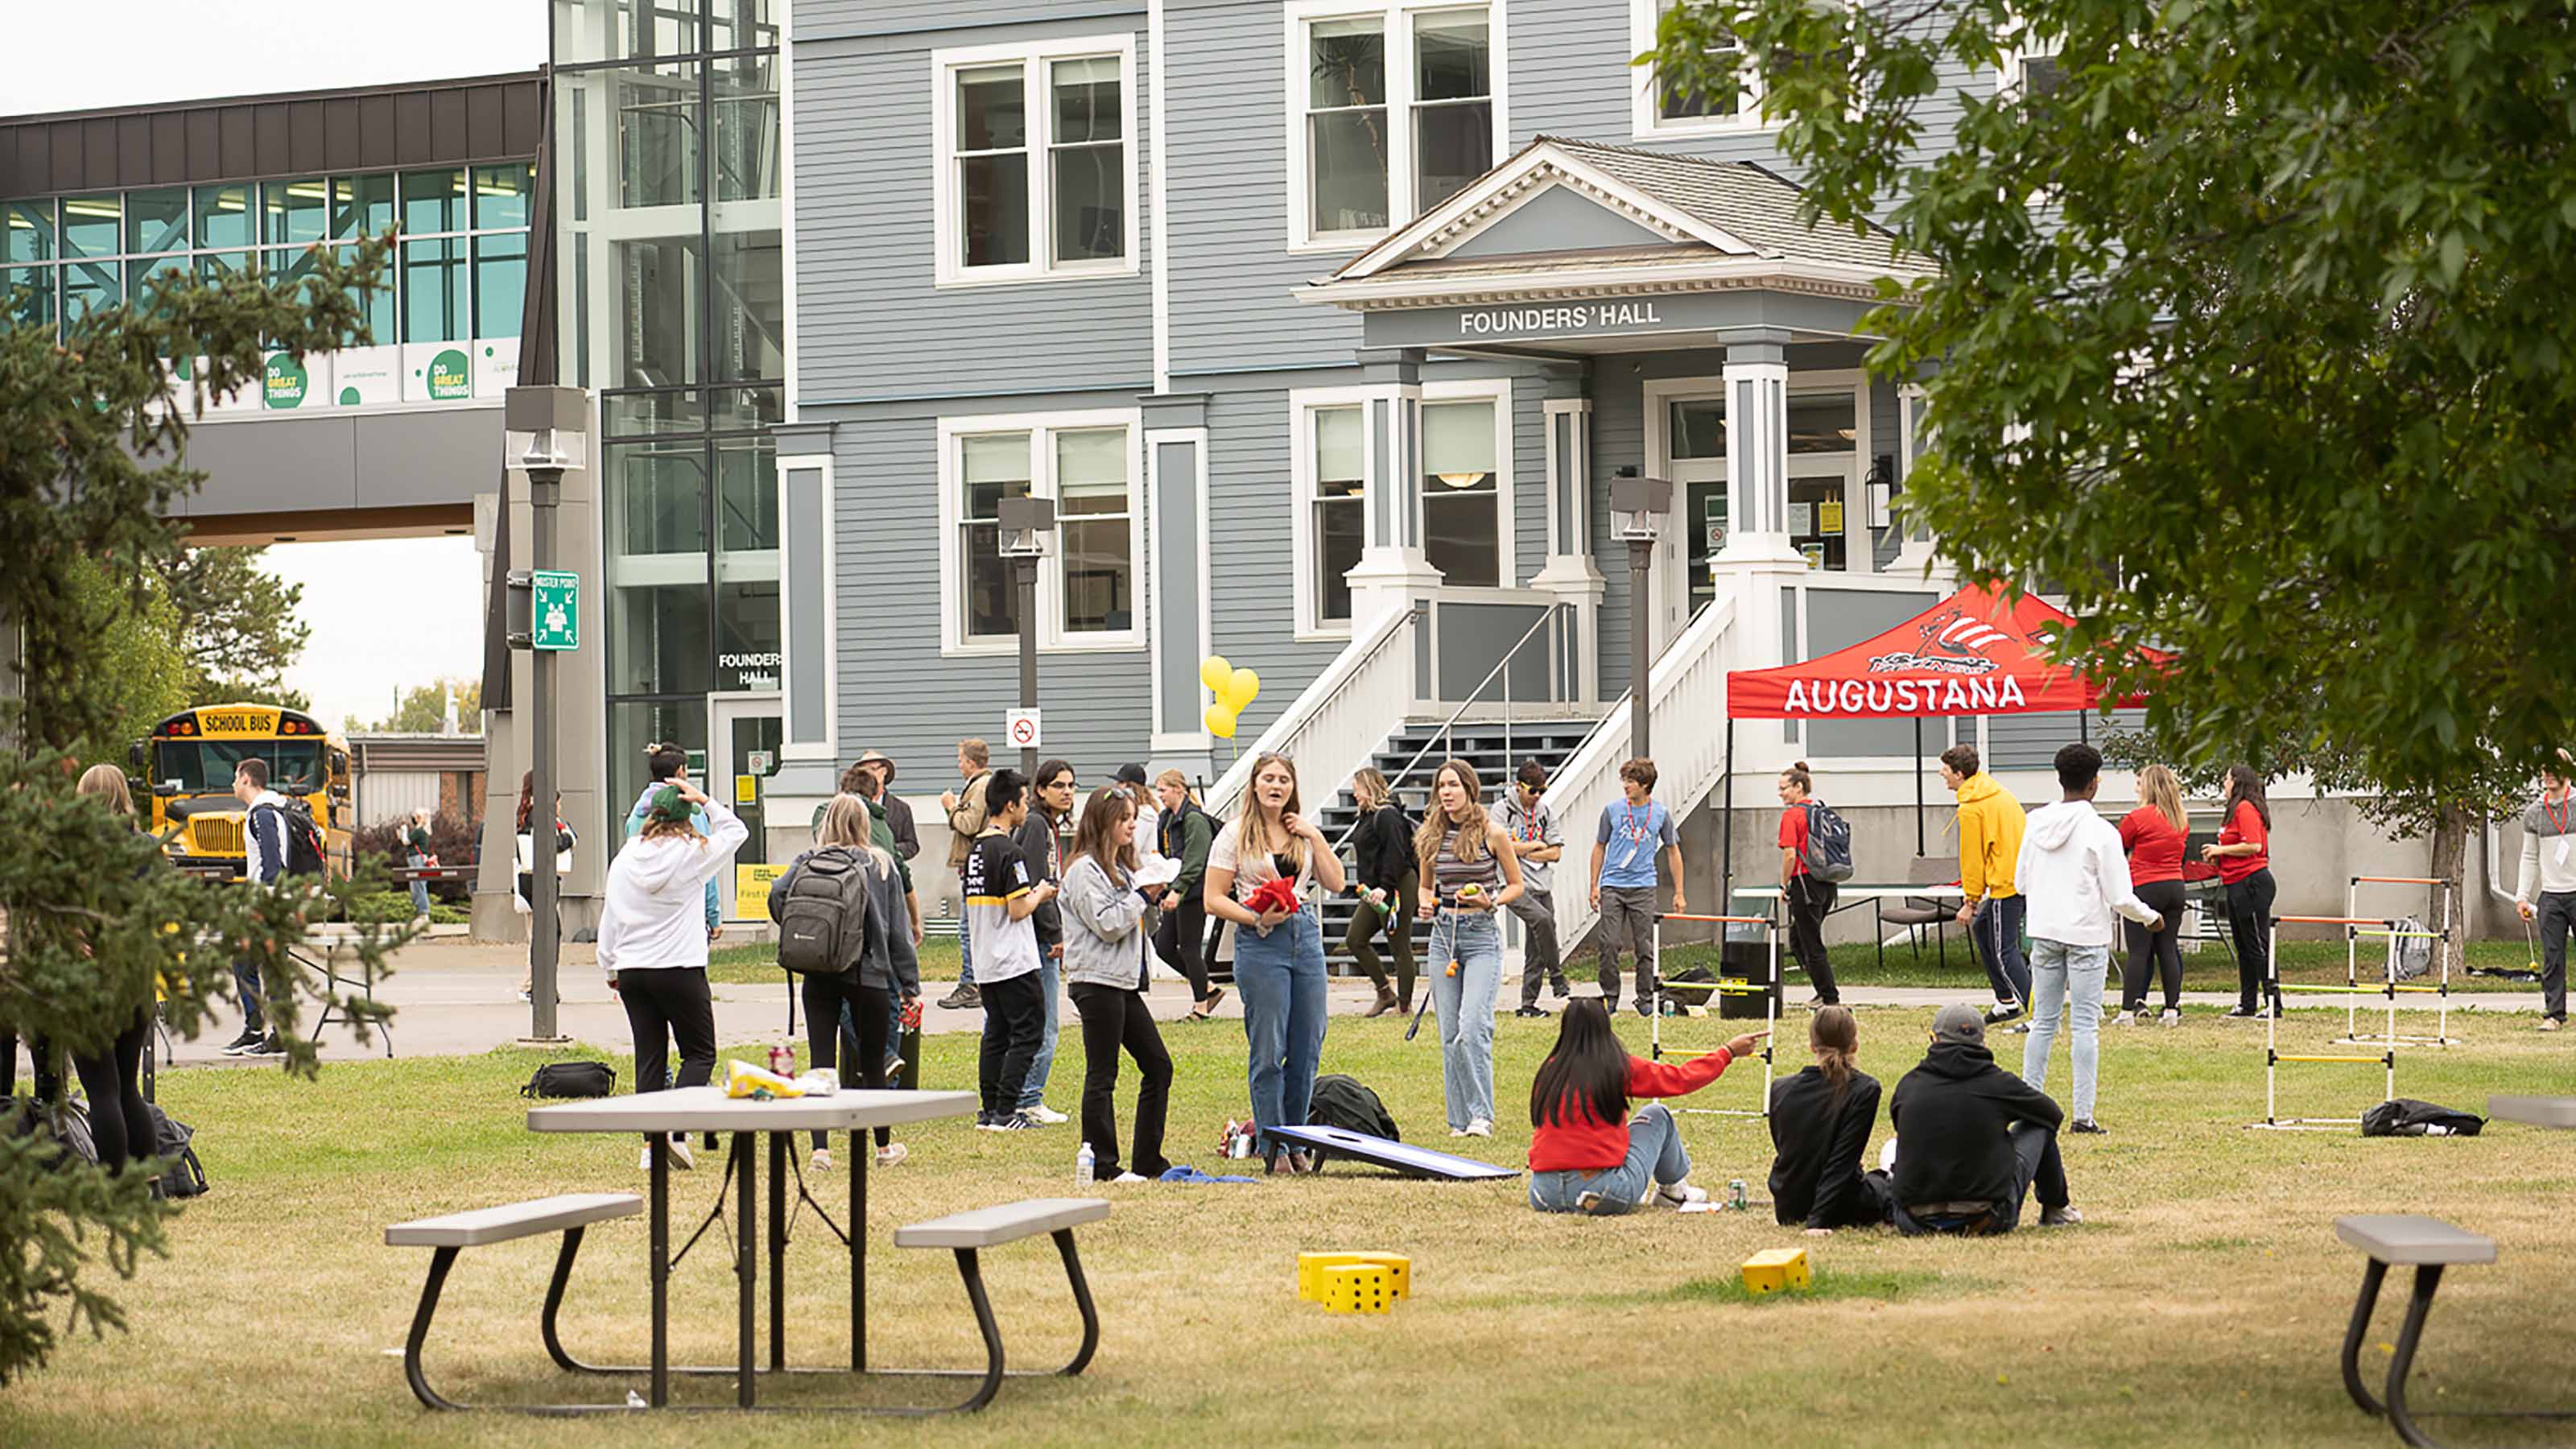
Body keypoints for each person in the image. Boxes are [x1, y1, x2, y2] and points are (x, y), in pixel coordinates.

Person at [1203, 751, 1344, 1174]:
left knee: (1307, 1044)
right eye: (1269, 778)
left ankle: (1297, 1140)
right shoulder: (1233, 834)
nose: (1276, 786)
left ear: (1292, 787)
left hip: (1304, 935)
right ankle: (1273, 1145)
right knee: (1269, 1048)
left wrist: (1315, 837)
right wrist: (1255, 917)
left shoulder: (1300, 832)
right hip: (1260, 940)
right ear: (1255, 785)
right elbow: (1213, 898)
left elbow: (1336, 883)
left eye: (1284, 779)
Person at [598, 778, 747, 1171]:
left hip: (632, 969)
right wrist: (706, 801)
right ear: (687, 818)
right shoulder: (693, 854)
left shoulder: (625, 858)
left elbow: (609, 918)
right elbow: (736, 831)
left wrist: (610, 966)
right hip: (679, 967)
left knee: (650, 1056)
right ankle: (676, 1131)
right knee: (699, 1053)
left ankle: (651, 1147)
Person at [2015, 744, 2162, 1134]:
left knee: (2042, 1022)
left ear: (2059, 779)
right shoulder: (2101, 831)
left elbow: (2020, 882)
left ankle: (2032, 1107)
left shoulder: (2034, 822)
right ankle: (2082, 1115)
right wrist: (2150, 918)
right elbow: (2119, 896)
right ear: (2095, 784)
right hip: (2086, 935)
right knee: (2084, 1025)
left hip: (2044, 931)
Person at [770, 794, 919, 1170]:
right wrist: (910, 984)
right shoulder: (880, 864)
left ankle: (820, 1150)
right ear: (865, 824)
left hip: (819, 971)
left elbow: (777, 894)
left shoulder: (807, 860)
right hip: (868, 973)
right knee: (873, 1062)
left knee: (821, 1062)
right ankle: (883, 1148)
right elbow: (898, 931)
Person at [1527, 998, 1763, 1215]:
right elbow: (1680, 1079)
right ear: (1605, 1028)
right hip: (1601, 1193)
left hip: (1543, 1194)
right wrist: (1727, 1052)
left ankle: (1665, 1190)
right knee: (1656, 1114)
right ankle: (1673, 1192)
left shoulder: (1549, 1071)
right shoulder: (1617, 1067)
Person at [1062, 785, 1175, 1183]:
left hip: (1122, 982)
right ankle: (1103, 1166)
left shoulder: (1124, 869)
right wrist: (1141, 896)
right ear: (1102, 822)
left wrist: (1154, 897)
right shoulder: (1082, 871)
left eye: (1133, 818)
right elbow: (1108, 925)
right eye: (1124, 819)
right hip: (1095, 980)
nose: (1131, 826)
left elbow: (1138, 923)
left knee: (1159, 1066)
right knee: (1102, 1074)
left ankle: (1148, 1160)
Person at [1887, 1003, 2079, 1234]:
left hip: (1913, 1220)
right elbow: (2051, 1115)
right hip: (1986, 1218)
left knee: (1892, 1147)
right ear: (1982, 1041)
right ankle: (2056, 1208)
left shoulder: (1909, 1085)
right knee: (2038, 1124)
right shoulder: (1998, 1083)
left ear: (1934, 1039)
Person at [1414, 759, 1524, 1137]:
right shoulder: (1430, 836)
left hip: (1481, 938)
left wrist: (1490, 902)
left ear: (1469, 789)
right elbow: (1426, 887)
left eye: (1453, 785)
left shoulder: (1493, 834)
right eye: (1441, 786)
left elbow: (1516, 885)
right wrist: (1425, 903)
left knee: (1473, 1025)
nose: (1446, 792)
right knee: (1449, 1033)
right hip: (1444, 938)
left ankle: (1482, 1116)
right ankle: (1459, 1121)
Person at [66, 765, 159, 1175]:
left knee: (101, 1089)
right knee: (127, 1087)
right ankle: (150, 1175)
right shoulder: (150, 850)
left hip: (90, 977)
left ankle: (114, 1182)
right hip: (137, 977)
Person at [966, 770, 1055, 1130]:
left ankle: (989, 1110)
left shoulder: (976, 849)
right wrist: (1042, 893)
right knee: (1029, 1032)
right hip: (1013, 959)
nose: (1025, 807)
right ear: (1009, 805)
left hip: (986, 956)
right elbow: (1018, 908)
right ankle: (1007, 1110)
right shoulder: (1009, 850)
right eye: (1022, 800)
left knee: (997, 1035)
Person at [1766, 1005, 1892, 1232]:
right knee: (1888, 1179)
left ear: (1812, 1046)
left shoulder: (1781, 1088)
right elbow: (1841, 1161)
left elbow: (1787, 1148)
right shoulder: (1864, 1089)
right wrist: (1817, 1221)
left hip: (1789, 1203)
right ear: (1854, 1045)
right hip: (1840, 1205)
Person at [1588, 757, 1686, 1016]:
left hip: (1643, 887)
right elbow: (1599, 846)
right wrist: (1594, 885)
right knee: (1609, 943)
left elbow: (1673, 851)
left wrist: (1679, 892)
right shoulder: (1612, 811)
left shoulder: (1661, 814)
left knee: (1645, 946)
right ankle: (1610, 996)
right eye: (1624, 780)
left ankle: (1644, 998)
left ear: (1645, 784)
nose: (1625, 786)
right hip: (1612, 885)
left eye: (1630, 781)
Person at [1942, 745, 2030, 1026]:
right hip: (2022, 876)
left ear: (1959, 773)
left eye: (1945, 770)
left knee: (2005, 950)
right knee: (1984, 929)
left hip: (2006, 884)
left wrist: (1970, 901)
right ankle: (2006, 1002)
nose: (1941, 774)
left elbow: (1972, 858)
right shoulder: (1998, 792)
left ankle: (2040, 1015)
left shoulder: (1971, 807)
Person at [1013, 759, 1077, 1125]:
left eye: (1071, 785)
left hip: (1038, 934)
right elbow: (1038, 882)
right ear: (1040, 790)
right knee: (1045, 1024)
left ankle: (1024, 1096)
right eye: (1059, 785)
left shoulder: (1045, 824)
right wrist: (1054, 934)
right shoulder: (1037, 825)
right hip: (1039, 938)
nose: (1067, 791)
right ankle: (1029, 1098)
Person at [221, 757, 289, 1056]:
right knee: (247, 961)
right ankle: (260, 1030)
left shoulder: (261, 815)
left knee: (261, 965)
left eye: (236, 778)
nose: (233, 784)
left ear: (247, 779)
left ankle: (269, 1033)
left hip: (268, 904)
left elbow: (272, 864)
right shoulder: (271, 811)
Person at [2115, 763, 2191, 1026]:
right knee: (2167, 947)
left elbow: (2117, 847)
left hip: (2145, 886)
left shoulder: (2137, 817)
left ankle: (2127, 1012)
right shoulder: (2180, 818)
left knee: (2138, 951)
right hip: (2175, 887)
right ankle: (2171, 1010)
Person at [2204, 765, 2280, 1019]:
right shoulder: (2233, 811)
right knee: (2244, 945)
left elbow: (2253, 845)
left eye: (2226, 779)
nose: (2223, 784)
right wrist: (2218, 857)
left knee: (2258, 944)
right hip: (2235, 882)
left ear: (2237, 783)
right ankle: (2247, 1003)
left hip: (2252, 882)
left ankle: (2273, 1003)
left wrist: (2220, 851)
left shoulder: (2246, 808)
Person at [1150, 770, 1226, 1021]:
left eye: (1163, 790)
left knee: (1190, 948)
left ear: (1179, 789)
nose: (1159, 795)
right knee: (1163, 946)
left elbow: (1195, 860)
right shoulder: (1167, 819)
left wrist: (1178, 889)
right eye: (1158, 790)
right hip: (1175, 889)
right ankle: (1208, 988)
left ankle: (1201, 1008)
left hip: (1194, 891)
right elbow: (1166, 857)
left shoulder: (1194, 819)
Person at [1493, 760, 1568, 1016]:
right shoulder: (1502, 811)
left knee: (1537, 946)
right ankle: (1557, 976)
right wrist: (1535, 846)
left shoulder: (1545, 812)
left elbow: (1556, 852)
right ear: (1518, 786)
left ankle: (1528, 1004)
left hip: (1542, 884)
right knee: (1544, 920)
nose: (1537, 796)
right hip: (1514, 885)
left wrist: (1527, 850)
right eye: (1532, 791)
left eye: (1542, 791)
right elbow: (1500, 847)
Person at [624, 745, 718, 946]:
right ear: (680, 772)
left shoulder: (636, 814)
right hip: (683, 914)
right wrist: (713, 915)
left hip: (643, 912)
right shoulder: (691, 811)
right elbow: (706, 862)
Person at [1343, 768, 1418, 1018]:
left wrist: (1385, 887)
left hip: (1396, 885)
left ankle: (1404, 1005)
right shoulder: (1366, 817)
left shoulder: (1387, 816)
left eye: (1357, 788)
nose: (1354, 794)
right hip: (1374, 890)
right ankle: (1385, 992)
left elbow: (1395, 854)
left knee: (1398, 944)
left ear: (1370, 787)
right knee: (1355, 938)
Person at [2514, 760, 2574, 1032]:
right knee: (2552, 959)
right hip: (2550, 896)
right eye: (2544, 770)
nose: (2548, 774)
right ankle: (2554, 1015)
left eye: (2555, 769)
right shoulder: (2535, 813)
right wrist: (2522, 896)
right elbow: (2529, 856)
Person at [1776, 762, 1842, 1007]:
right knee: (1798, 939)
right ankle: (1821, 987)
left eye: (1784, 788)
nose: (1781, 793)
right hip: (1827, 883)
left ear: (1799, 787)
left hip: (1804, 883)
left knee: (1811, 943)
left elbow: (1790, 855)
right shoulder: (1821, 811)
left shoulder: (1792, 816)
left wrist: (1783, 885)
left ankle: (1829, 997)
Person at [939, 738, 997, 1010]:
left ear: (972, 763)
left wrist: (951, 806)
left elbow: (969, 823)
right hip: (978, 863)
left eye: (961, 759)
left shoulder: (980, 787)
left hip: (975, 864)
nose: (958, 764)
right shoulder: (982, 785)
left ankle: (970, 983)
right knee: (973, 927)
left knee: (967, 928)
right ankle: (977, 981)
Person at [516, 771, 577, 1004]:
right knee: (549, 934)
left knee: (537, 935)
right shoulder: (540, 816)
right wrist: (568, 839)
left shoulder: (525, 813)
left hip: (529, 881)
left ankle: (531, 984)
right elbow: (551, 845)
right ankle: (540, 986)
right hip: (541, 882)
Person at [854, 749, 921, 861]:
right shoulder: (853, 806)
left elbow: (912, 846)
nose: (869, 775)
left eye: (873, 769)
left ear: (884, 771)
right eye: (864, 772)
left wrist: (889, 850)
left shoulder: (901, 808)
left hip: (891, 870)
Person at [402, 806, 436, 920]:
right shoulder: (423, 831)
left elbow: (406, 841)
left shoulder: (418, 831)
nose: (413, 818)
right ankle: (421, 912)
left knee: (418, 885)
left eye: (415, 816)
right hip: (418, 858)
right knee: (417, 885)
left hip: (416, 859)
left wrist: (404, 831)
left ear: (419, 818)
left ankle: (423, 912)